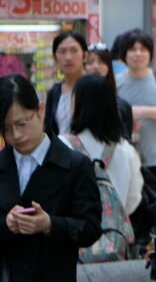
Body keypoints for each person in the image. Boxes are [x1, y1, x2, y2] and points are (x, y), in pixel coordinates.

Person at [0, 74, 102, 281]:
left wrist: (49, 224)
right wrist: (6, 224)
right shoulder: (2, 164)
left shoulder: (75, 165)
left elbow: (91, 228)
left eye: (22, 124)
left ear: (41, 110)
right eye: (6, 129)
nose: (16, 135)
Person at [60, 75, 143, 218]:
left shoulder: (63, 146)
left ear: (77, 104)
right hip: (114, 236)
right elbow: (133, 198)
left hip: (75, 234)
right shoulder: (126, 149)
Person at [115, 30, 156, 187]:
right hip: (124, 158)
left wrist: (141, 111)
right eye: (132, 49)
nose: (138, 54)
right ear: (124, 54)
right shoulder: (116, 82)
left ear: (150, 54)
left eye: (143, 49)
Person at [86, 44, 135, 141]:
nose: (96, 66)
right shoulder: (74, 101)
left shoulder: (122, 106)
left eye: (101, 62)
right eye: (90, 62)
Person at [43, 32, 88, 136]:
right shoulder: (54, 92)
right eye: (62, 52)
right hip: (62, 150)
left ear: (85, 55)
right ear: (55, 58)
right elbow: (49, 129)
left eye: (74, 51)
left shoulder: (96, 87)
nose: (68, 57)